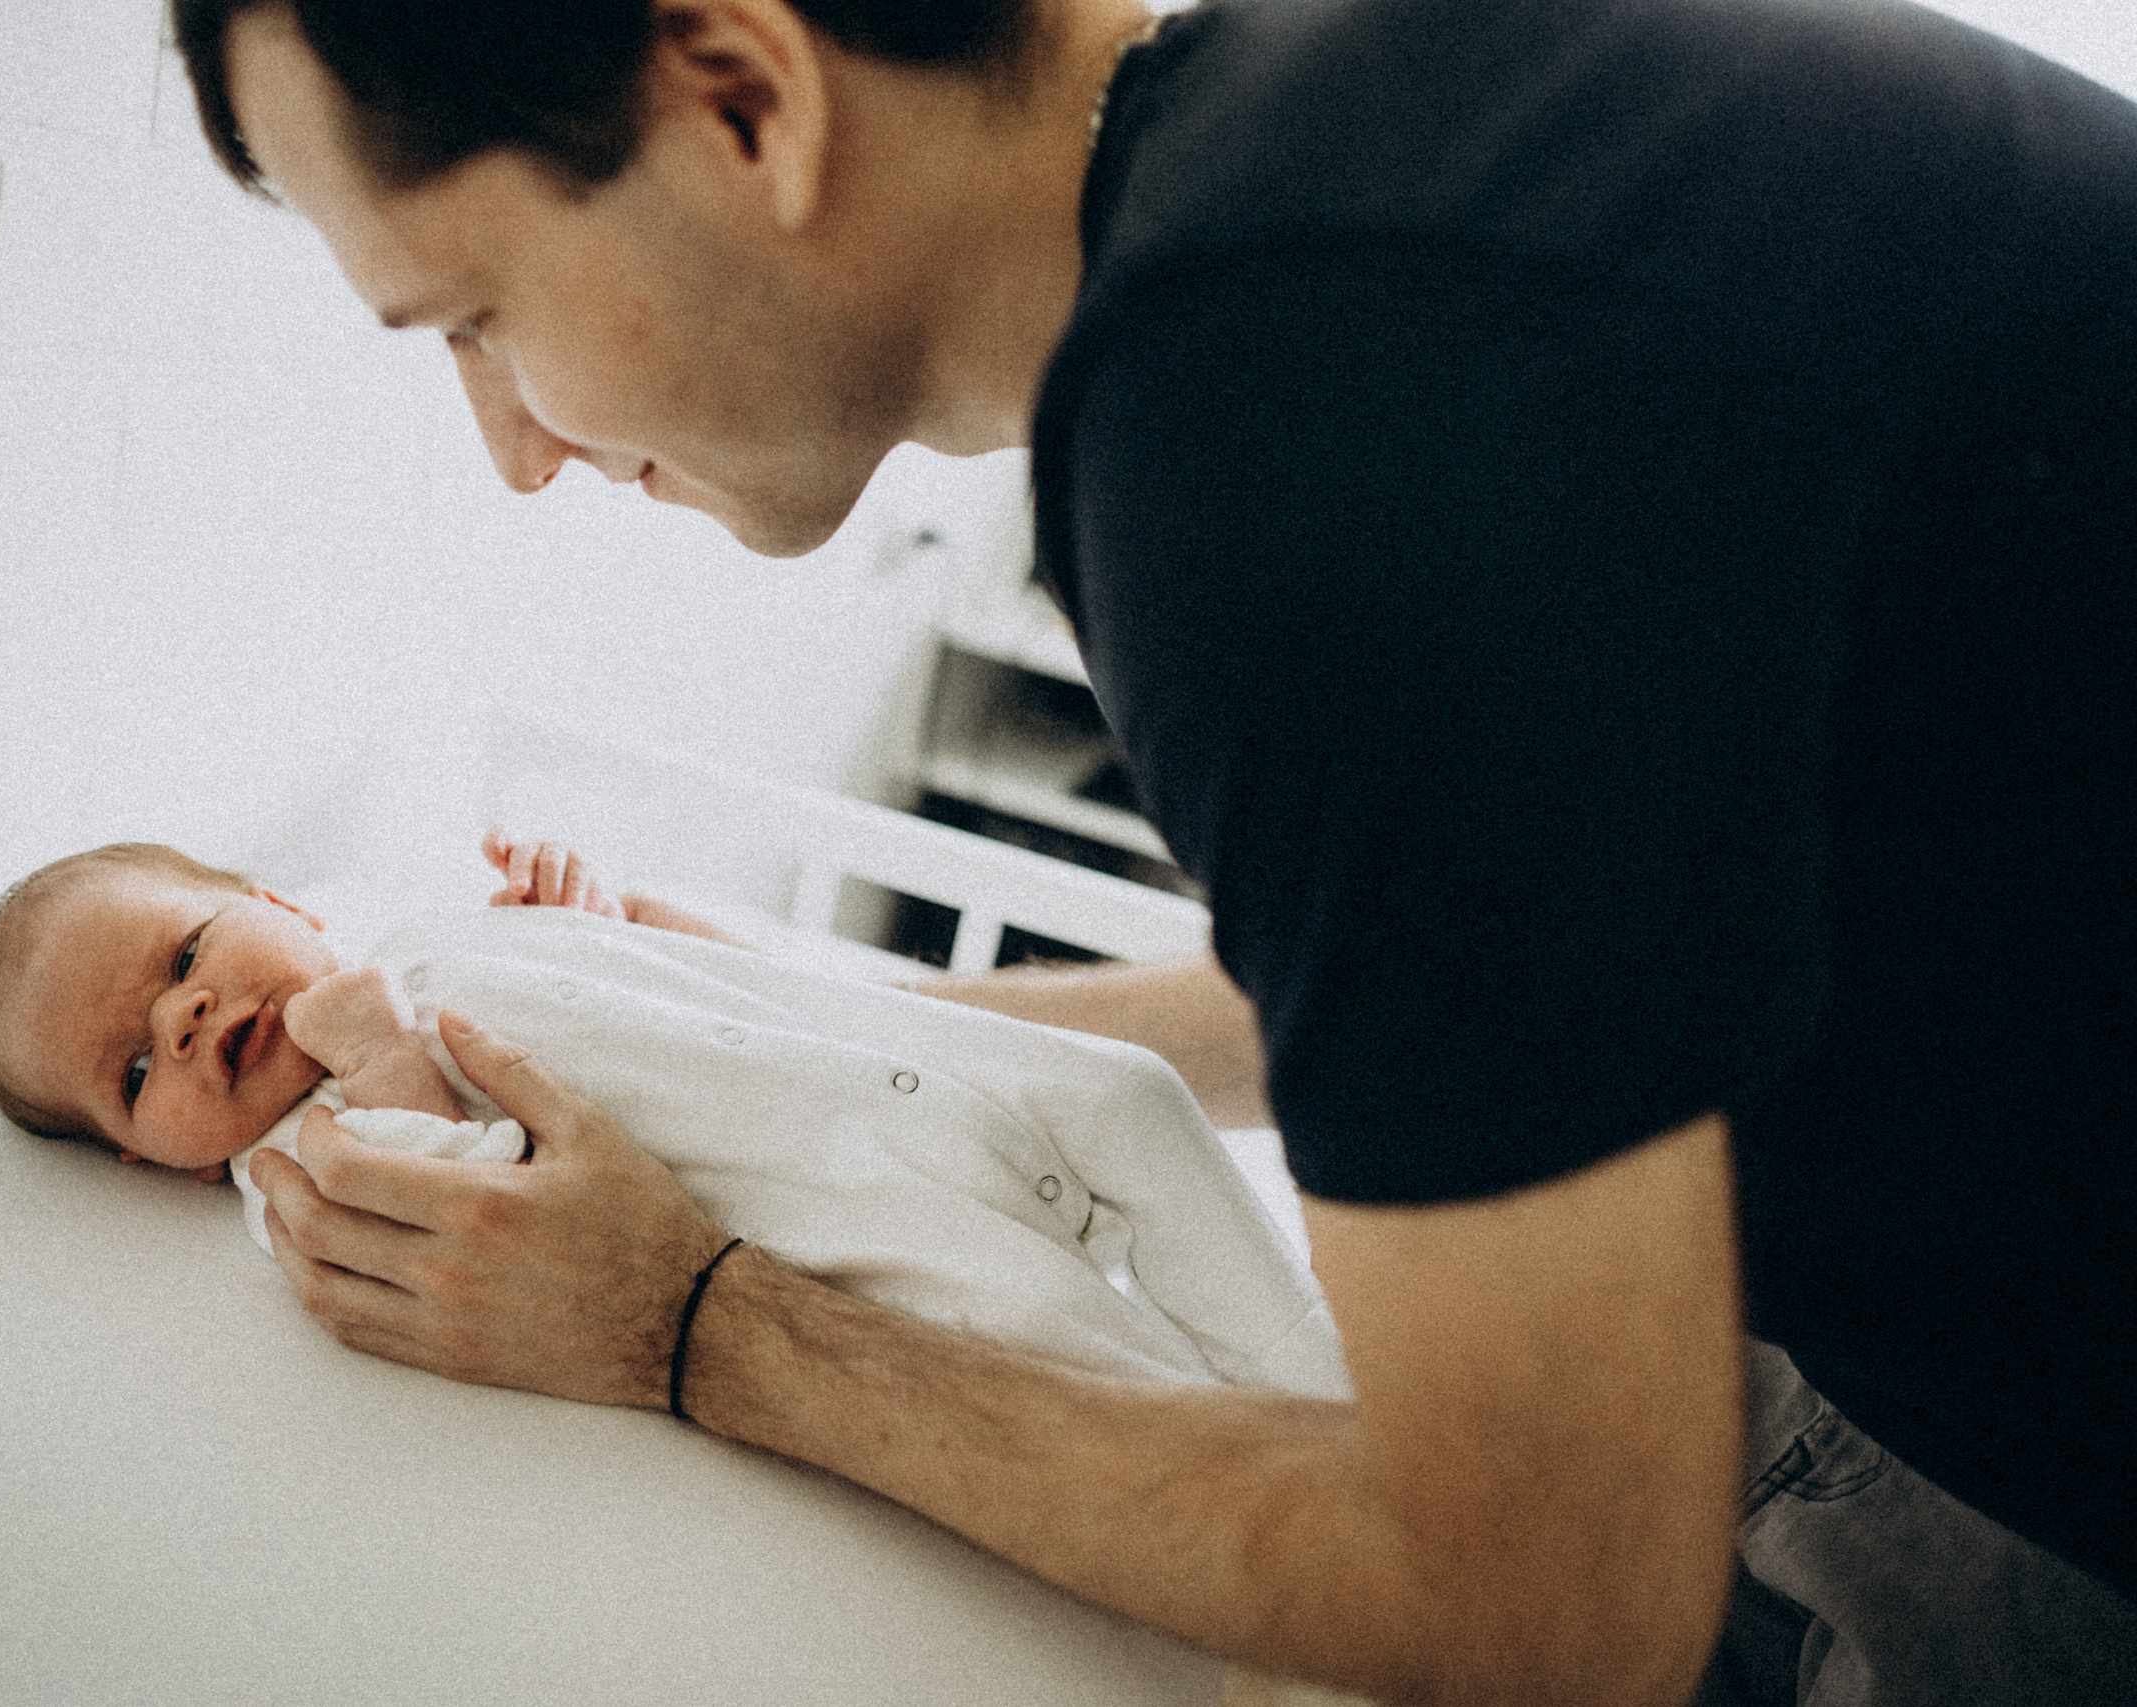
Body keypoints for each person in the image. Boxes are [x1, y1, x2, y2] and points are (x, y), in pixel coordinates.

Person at [166, 0, 2137, 1701]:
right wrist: (859, 1012)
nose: (510, 449)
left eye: (476, 319)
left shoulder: (1276, 432)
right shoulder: (1331, 160)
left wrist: (693, 1318)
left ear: (738, 96)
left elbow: (1546, 1610)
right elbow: (1480, 986)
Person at [0, 832, 1348, 1396]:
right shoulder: (310, 1166)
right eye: (136, 1075)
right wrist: (382, 1057)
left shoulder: (440, 923)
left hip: (931, 1073)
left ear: (287, 904)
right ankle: (1301, 1491)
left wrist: (600, 917)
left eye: (187, 954)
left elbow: (682, 983)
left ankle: (1347, 1398)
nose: (183, 1020)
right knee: (1095, 1367)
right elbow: (492, 1187)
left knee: (1143, 1095)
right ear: (160, 1166)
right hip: (865, 1220)